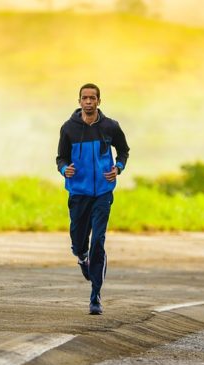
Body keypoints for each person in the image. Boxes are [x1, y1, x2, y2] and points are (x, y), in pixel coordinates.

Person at [56, 83, 130, 315]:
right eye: (84, 98)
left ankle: (95, 295)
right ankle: (82, 256)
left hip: (103, 193)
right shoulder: (68, 128)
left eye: (92, 98)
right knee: (79, 242)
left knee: (98, 240)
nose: (88, 102)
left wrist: (118, 168)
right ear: (79, 101)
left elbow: (124, 151)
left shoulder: (111, 126)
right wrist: (64, 169)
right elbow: (60, 158)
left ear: (99, 101)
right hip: (78, 192)